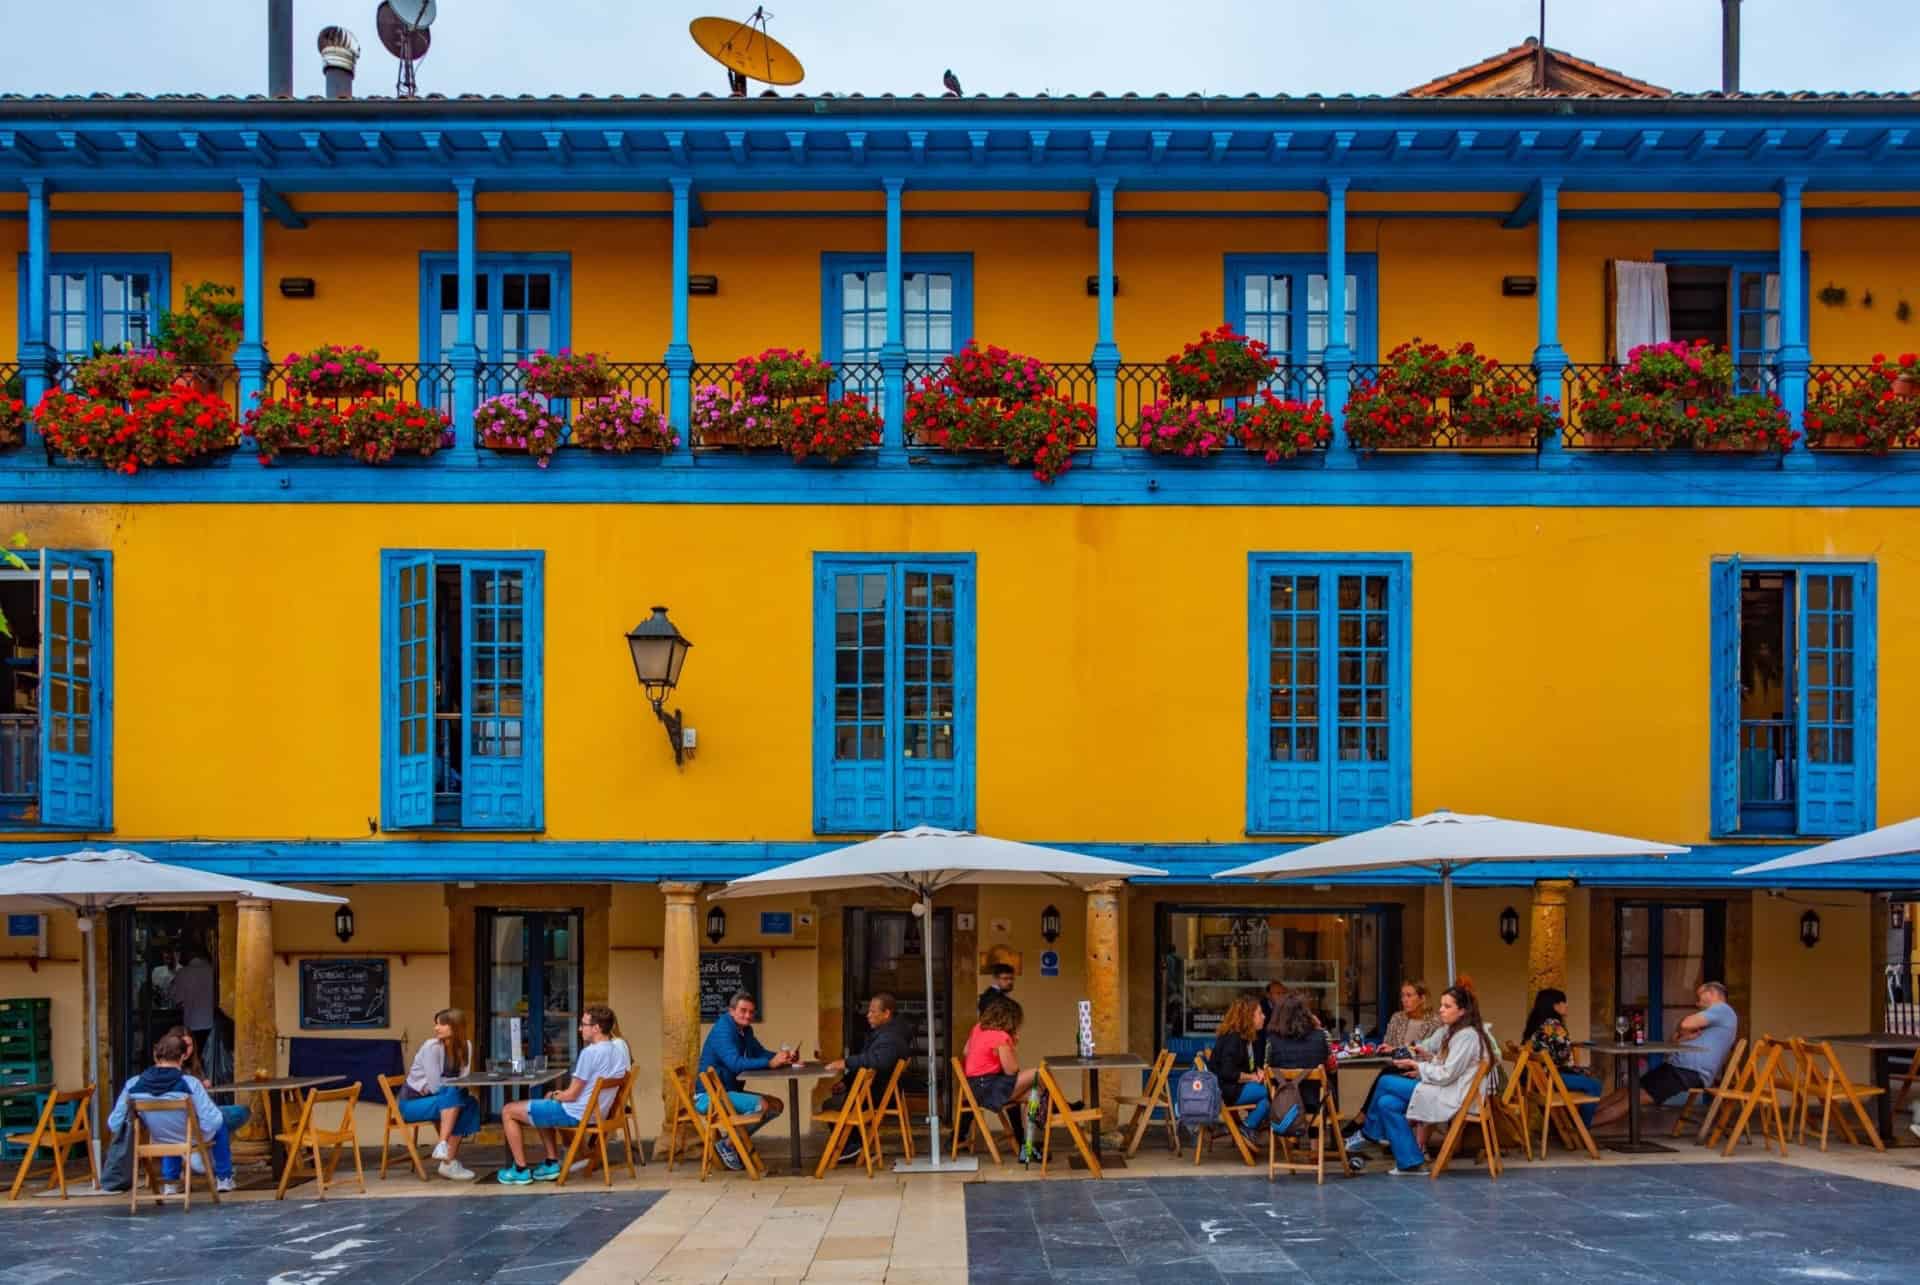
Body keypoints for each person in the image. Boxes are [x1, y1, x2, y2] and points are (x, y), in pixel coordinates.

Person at [1356, 984, 1495, 1176]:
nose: (1441, 1010)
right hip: (1446, 1088)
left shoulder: (1467, 1036)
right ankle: (1411, 1162)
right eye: (1441, 1005)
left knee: (1386, 1081)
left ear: (1462, 1011)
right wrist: (1425, 1062)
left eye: (1447, 1006)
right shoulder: (1455, 1033)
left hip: (1453, 1095)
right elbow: (1447, 1066)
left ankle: (1368, 1133)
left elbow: (1447, 1074)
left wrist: (1418, 1067)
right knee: (1386, 1103)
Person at [496, 1005, 630, 1185]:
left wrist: (556, 1095)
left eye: (584, 1025)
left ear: (596, 1028)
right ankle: (551, 1163)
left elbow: (572, 1095)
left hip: (575, 1113)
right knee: (544, 1103)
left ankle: (520, 1169)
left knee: (508, 1110)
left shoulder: (590, 1053)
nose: (580, 1028)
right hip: (596, 1114)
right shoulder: (617, 1051)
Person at [1590, 981, 1738, 1129]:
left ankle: (1581, 1126)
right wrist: (1684, 1035)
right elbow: (1675, 1038)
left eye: (1699, 997)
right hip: (1677, 1067)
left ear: (1712, 993)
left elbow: (1686, 1024)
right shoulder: (1715, 1018)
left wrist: (1684, 1030)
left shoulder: (1722, 1010)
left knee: (1634, 1097)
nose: (1697, 1003)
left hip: (1689, 1072)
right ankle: (1583, 1116)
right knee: (1629, 1089)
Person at [107, 1030, 238, 1194]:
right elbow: (213, 1121)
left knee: (169, 1133)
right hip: (189, 1137)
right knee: (220, 1124)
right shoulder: (190, 1083)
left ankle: (171, 1183)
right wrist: (198, 1124)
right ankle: (224, 1179)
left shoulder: (133, 1084)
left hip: (158, 1138)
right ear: (183, 1057)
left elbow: (114, 1124)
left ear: (156, 1056)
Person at [695, 991, 797, 1171]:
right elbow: (735, 1064)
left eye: (751, 1012)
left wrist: (783, 1057)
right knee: (763, 1105)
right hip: (709, 1097)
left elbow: (759, 1052)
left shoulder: (745, 1030)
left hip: (727, 1092)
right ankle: (729, 1144)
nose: (748, 1016)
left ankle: (732, 1142)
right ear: (731, 1011)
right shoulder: (723, 1030)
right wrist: (769, 1063)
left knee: (776, 1104)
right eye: (743, 1011)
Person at [822, 992, 910, 1164]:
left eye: (873, 1012)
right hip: (876, 1091)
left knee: (831, 1105)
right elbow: (867, 1061)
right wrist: (846, 1082)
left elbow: (878, 1061)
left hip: (877, 1094)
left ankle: (851, 1145)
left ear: (886, 1014)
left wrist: (845, 1062)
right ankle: (853, 1144)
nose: (868, 1015)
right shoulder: (885, 1032)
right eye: (868, 1011)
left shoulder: (890, 1037)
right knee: (836, 1101)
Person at [401, 1008, 482, 1181]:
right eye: (436, 1024)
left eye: (442, 1024)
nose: (436, 1028)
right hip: (413, 1104)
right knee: (452, 1092)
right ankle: (446, 1155)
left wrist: (450, 1085)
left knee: (471, 1102)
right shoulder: (431, 1047)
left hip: (442, 1101)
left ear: (455, 1026)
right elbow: (435, 1085)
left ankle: (446, 1158)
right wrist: (450, 1085)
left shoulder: (465, 1046)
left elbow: (463, 1079)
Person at [962, 996, 1036, 1148]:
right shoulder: (1001, 1036)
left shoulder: (978, 1028)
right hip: (988, 1089)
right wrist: (1012, 1045)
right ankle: (1056, 1108)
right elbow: (1012, 1070)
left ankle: (1028, 1146)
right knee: (1039, 1073)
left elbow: (965, 1051)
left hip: (975, 1089)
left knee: (1033, 1094)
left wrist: (989, 1058)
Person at [1522, 988, 1602, 1126]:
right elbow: (1563, 1058)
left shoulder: (1536, 1023)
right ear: (1555, 1005)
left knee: (1585, 1075)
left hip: (1538, 1079)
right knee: (1595, 1085)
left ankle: (1569, 1125)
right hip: (1552, 1078)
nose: (1566, 1006)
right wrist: (1571, 1051)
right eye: (1564, 1002)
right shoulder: (1554, 1025)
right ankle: (1582, 1127)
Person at [1209, 996, 1273, 1133]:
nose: (1264, 1016)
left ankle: (1248, 1128)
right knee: (1272, 1093)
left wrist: (1257, 1071)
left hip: (1236, 1087)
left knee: (1267, 1101)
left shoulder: (1246, 1038)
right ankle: (1248, 1127)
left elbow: (1244, 1065)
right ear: (1249, 1017)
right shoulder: (1233, 1039)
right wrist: (1252, 1077)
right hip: (1226, 1090)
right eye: (1260, 1013)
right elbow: (1227, 1072)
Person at [167, 942, 216, 1054]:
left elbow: (176, 998)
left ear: (190, 954)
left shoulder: (184, 972)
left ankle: (195, 1070)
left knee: (192, 1054)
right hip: (209, 1022)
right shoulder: (211, 970)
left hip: (192, 1022)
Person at [1383, 981, 1440, 1051]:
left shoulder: (1434, 1022)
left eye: (1409, 995)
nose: (1404, 1000)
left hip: (1422, 1062)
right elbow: (1387, 1044)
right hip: (1394, 1061)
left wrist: (1395, 1050)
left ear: (1422, 998)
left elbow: (1432, 1051)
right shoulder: (1397, 1018)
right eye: (1402, 996)